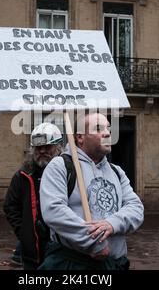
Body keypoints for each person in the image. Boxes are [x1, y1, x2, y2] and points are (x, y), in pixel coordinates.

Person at [39, 112, 144, 270]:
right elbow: (54, 211)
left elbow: (136, 208)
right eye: (98, 128)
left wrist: (111, 224)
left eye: (108, 128)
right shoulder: (60, 166)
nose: (107, 133)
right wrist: (93, 243)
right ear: (80, 137)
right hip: (72, 263)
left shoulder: (117, 171)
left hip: (115, 263)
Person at [4, 122, 63, 270]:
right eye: (38, 147)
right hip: (33, 252)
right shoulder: (22, 175)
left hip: (63, 249)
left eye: (47, 147)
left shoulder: (69, 173)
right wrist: (24, 233)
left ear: (58, 147)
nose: (42, 151)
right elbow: (10, 206)